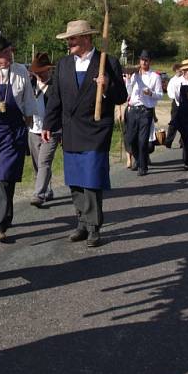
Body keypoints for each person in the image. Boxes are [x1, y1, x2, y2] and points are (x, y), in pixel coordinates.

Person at [42, 19, 127, 248]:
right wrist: (48, 125)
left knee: (91, 179)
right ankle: (81, 222)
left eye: (73, 38)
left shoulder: (107, 62)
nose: (69, 42)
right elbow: (55, 98)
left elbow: (121, 97)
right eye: (68, 39)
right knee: (76, 179)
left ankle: (93, 227)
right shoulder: (63, 64)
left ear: (87, 38)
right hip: (71, 128)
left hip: (96, 129)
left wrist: (107, 83)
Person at [0, 30, 35, 241]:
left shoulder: (21, 71)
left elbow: (29, 101)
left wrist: (30, 123)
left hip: (13, 132)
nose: (4, 58)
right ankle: (6, 214)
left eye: (6, 53)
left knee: (4, 177)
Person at [27, 52, 59, 207]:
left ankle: (38, 195)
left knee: (44, 162)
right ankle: (47, 190)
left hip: (51, 130)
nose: (38, 75)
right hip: (33, 129)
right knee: (37, 165)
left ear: (48, 70)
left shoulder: (55, 86)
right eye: (36, 72)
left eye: (41, 72)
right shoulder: (30, 83)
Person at [124, 50, 163, 176]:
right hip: (133, 109)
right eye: (142, 60)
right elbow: (128, 93)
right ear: (139, 61)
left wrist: (151, 93)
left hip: (146, 110)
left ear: (149, 62)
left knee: (142, 140)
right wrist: (129, 81)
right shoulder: (135, 75)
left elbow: (160, 95)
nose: (144, 62)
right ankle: (139, 159)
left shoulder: (155, 76)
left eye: (146, 60)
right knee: (130, 139)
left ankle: (143, 166)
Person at [164, 62, 183, 148]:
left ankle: (182, 142)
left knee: (184, 123)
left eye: (181, 69)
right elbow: (170, 91)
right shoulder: (172, 80)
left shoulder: (184, 79)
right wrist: (174, 97)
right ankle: (168, 142)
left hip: (184, 103)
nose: (180, 71)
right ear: (175, 70)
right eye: (178, 69)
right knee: (173, 123)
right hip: (175, 103)